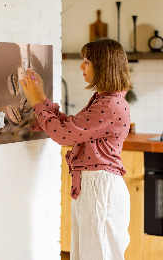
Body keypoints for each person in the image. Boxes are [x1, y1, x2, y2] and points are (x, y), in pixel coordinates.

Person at [20, 38, 132, 260]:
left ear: (103, 66)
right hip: (95, 187)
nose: (81, 66)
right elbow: (71, 127)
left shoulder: (109, 105)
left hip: (100, 189)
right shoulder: (105, 100)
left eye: (87, 61)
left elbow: (63, 135)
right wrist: (41, 98)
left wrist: (35, 102)